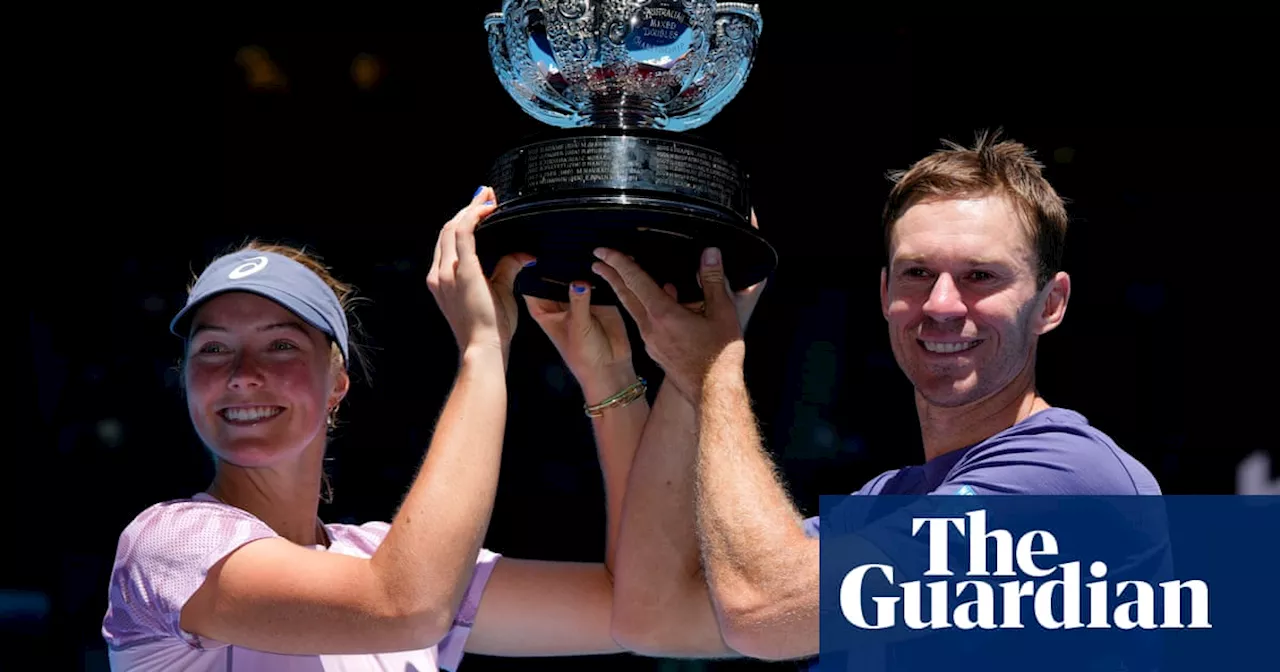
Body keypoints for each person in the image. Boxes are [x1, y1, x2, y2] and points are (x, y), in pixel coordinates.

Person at [594, 131, 1163, 663]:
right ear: (886, 292)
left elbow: (761, 608)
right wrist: (686, 352)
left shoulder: (1070, 477)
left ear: (1050, 304)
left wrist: (714, 368)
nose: (941, 304)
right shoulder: (891, 500)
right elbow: (654, 614)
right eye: (917, 272)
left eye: (981, 276)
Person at [102, 187, 631, 670]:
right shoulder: (169, 542)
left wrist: (619, 379)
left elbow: (647, 613)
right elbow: (407, 606)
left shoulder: (383, 557)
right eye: (214, 349)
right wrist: (482, 350)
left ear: (336, 384)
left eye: (281, 345)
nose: (242, 375)